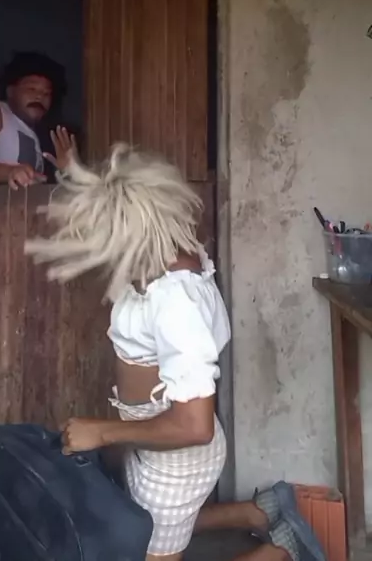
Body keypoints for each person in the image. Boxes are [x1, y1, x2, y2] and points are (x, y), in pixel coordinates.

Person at [26, 144, 326, 561]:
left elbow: (194, 426)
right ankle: (257, 512)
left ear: (134, 234)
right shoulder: (170, 257)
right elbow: (121, 202)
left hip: (175, 459)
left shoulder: (175, 303)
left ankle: (277, 555)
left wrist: (102, 432)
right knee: (144, 524)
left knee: (152, 526)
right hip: (158, 446)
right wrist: (76, 176)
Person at [0, 51, 77, 190]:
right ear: (10, 91)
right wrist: (9, 172)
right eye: (31, 89)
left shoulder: (39, 133)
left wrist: (65, 171)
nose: (39, 97)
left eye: (46, 93)